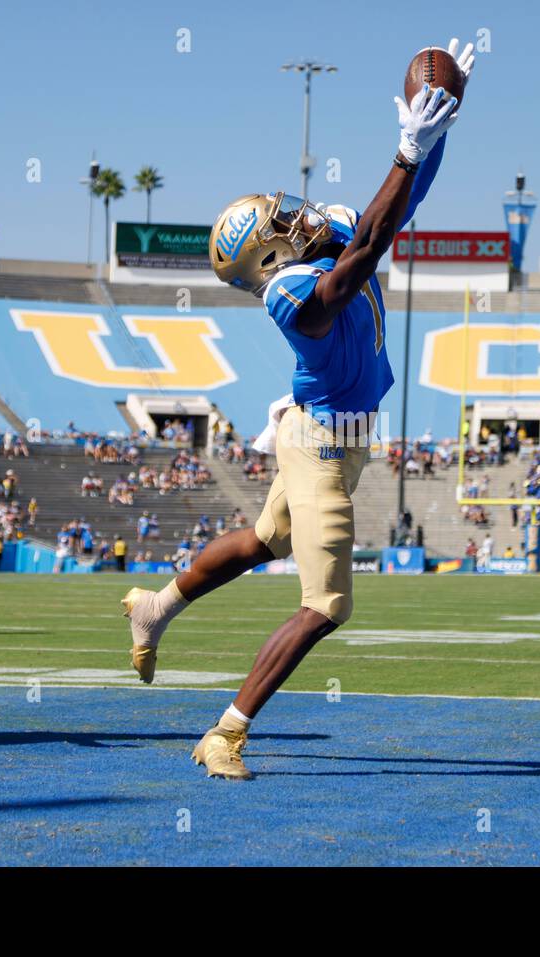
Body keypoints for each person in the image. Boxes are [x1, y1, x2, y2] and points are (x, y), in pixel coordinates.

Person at [121, 38, 471, 779]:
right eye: (283, 220)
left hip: (329, 432)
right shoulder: (287, 295)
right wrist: (406, 150)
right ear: (270, 256)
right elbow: (361, 259)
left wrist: (430, 135)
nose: (298, 213)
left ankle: (156, 607)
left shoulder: (329, 235)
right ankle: (226, 732)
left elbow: (391, 215)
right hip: (319, 448)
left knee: (260, 540)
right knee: (327, 603)